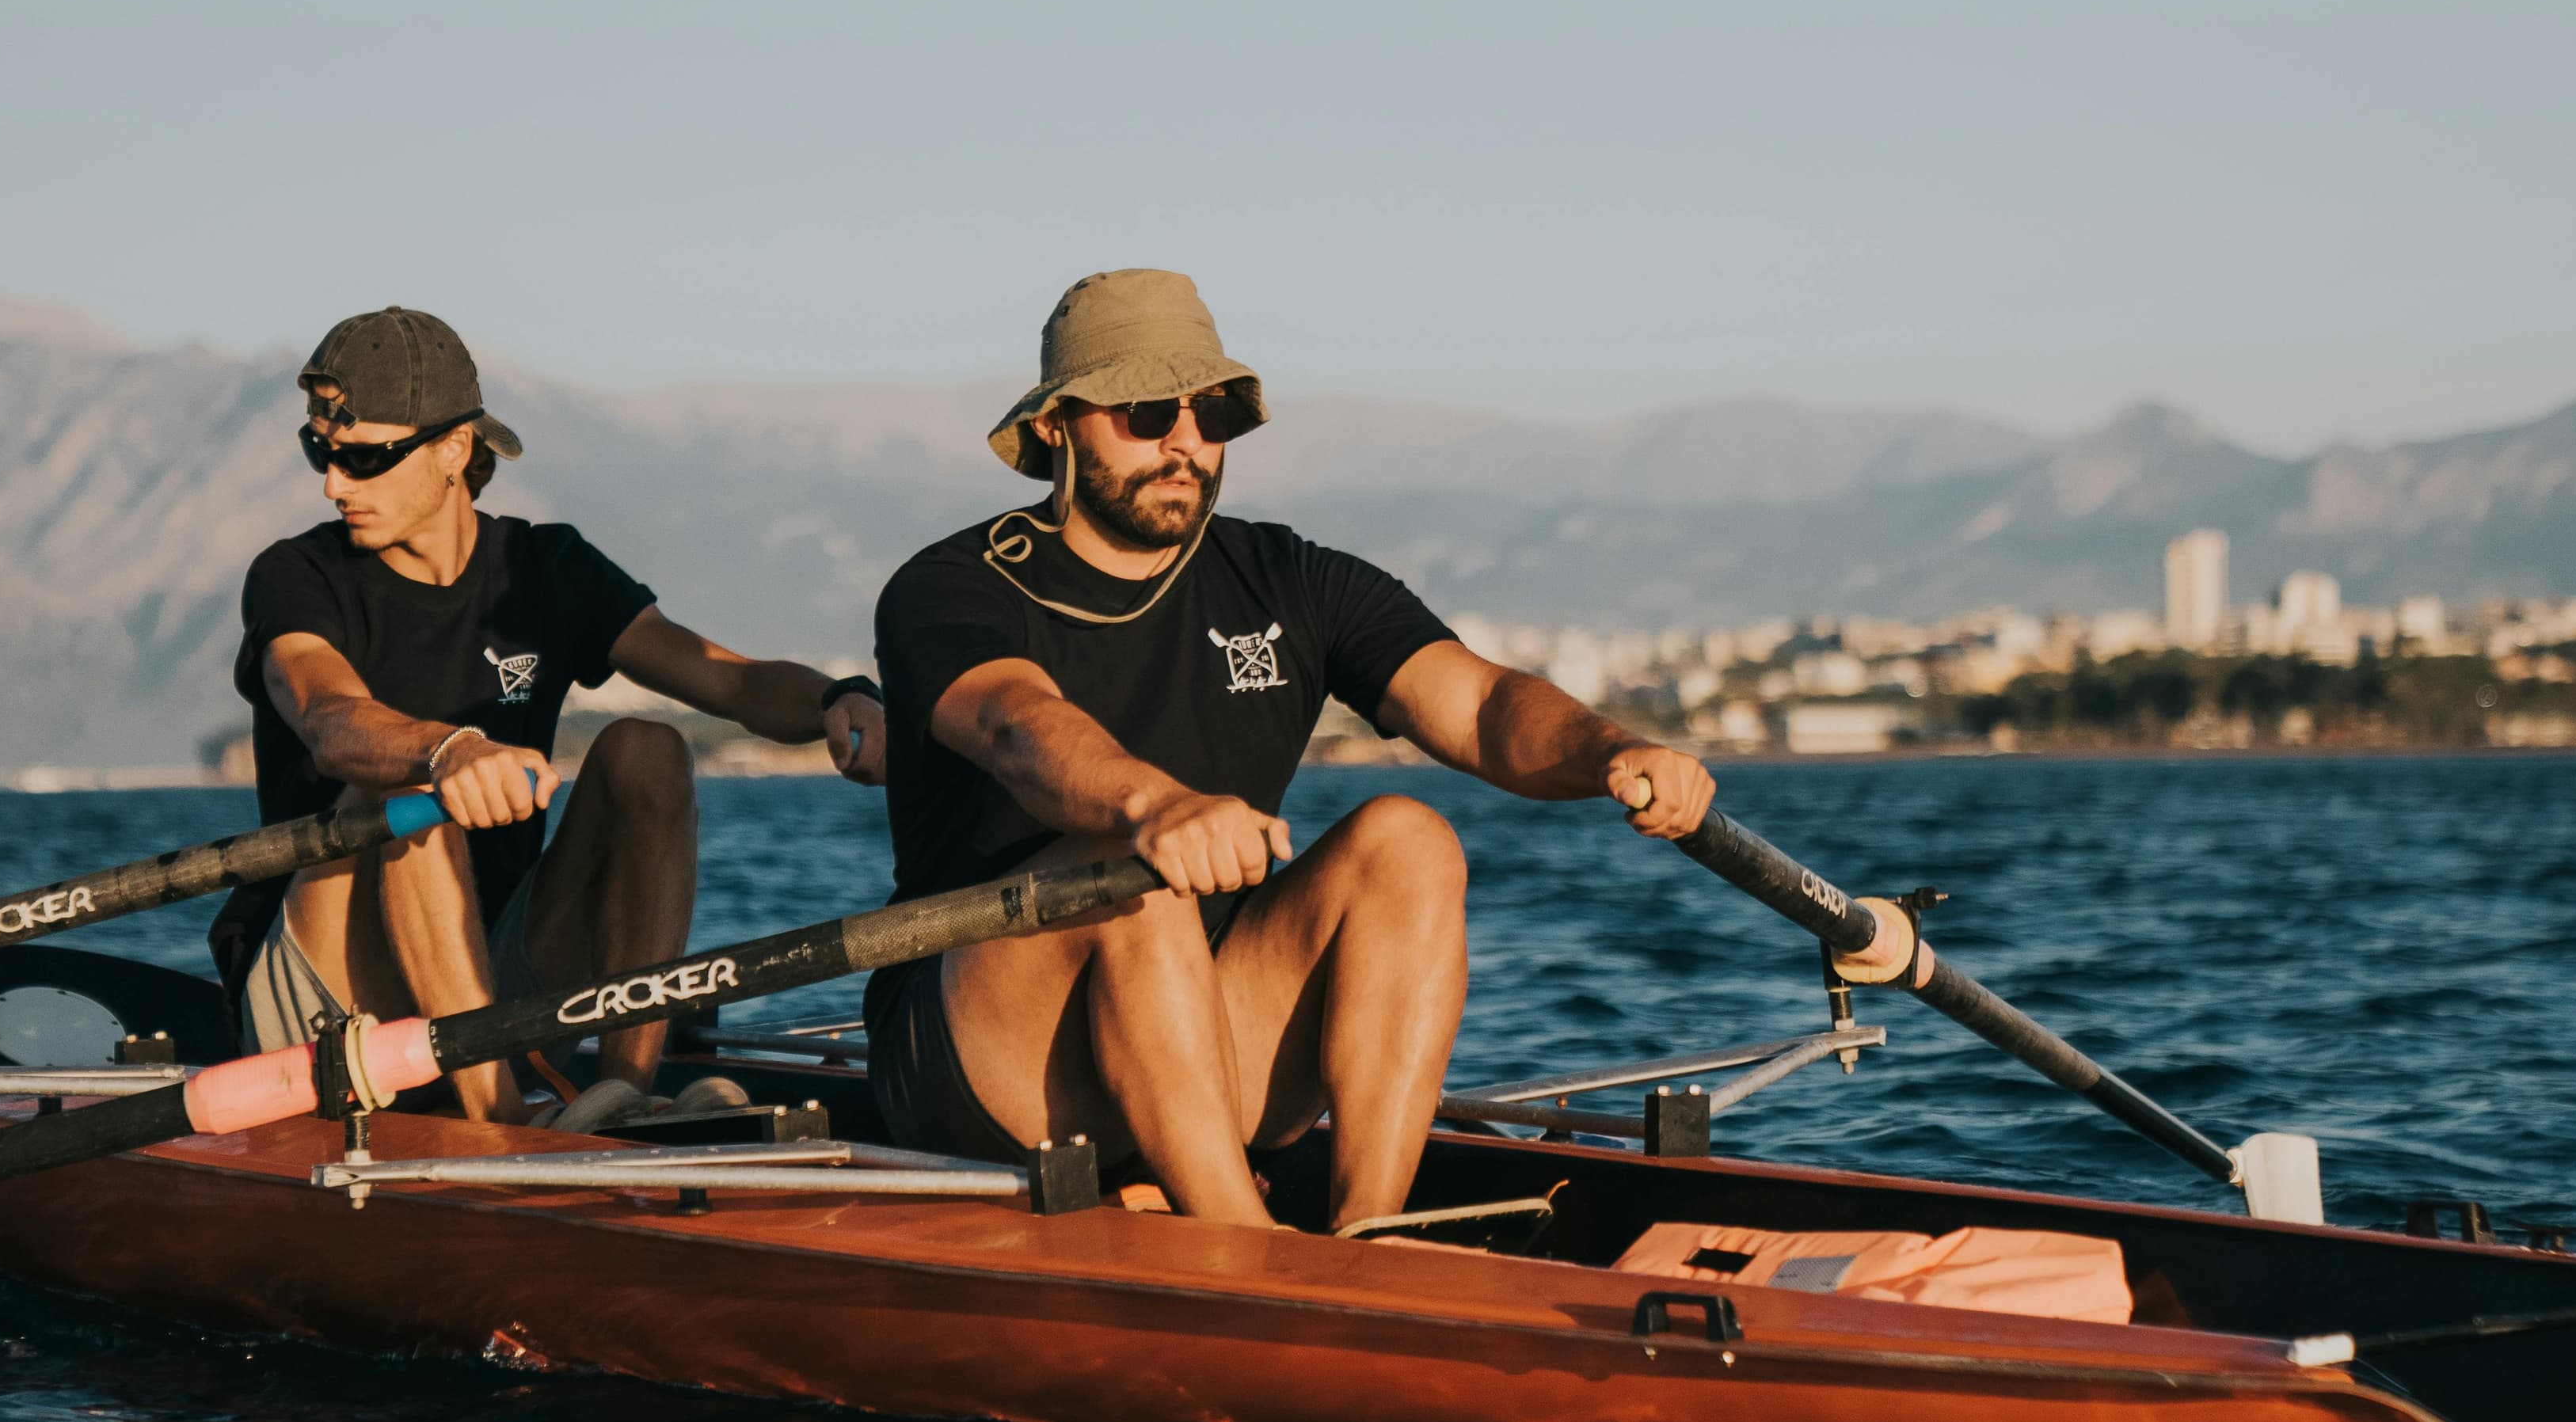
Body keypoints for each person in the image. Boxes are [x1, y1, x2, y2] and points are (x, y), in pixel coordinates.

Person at [866, 270, 1715, 1227]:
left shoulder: (1292, 579)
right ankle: (1248, 1251)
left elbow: (1480, 706)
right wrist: (1155, 806)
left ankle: (1367, 1235)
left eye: (1213, 412)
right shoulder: (951, 587)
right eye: (1147, 411)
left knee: (1410, 838)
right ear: (1058, 426)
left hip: (1210, 1036)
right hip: (980, 1066)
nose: (1187, 443)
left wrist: (1614, 748)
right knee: (1127, 872)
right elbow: (1015, 727)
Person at [215, 305, 884, 1127]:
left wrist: (840, 700)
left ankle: (624, 1095)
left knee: (648, 749)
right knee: (398, 798)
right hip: (323, 1000)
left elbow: (736, 686)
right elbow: (327, 714)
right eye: (321, 453)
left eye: (364, 458)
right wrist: (449, 749)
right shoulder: (295, 575)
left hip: (487, 975)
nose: (333, 484)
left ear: (455, 448)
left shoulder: (548, 569)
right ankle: (502, 1123)